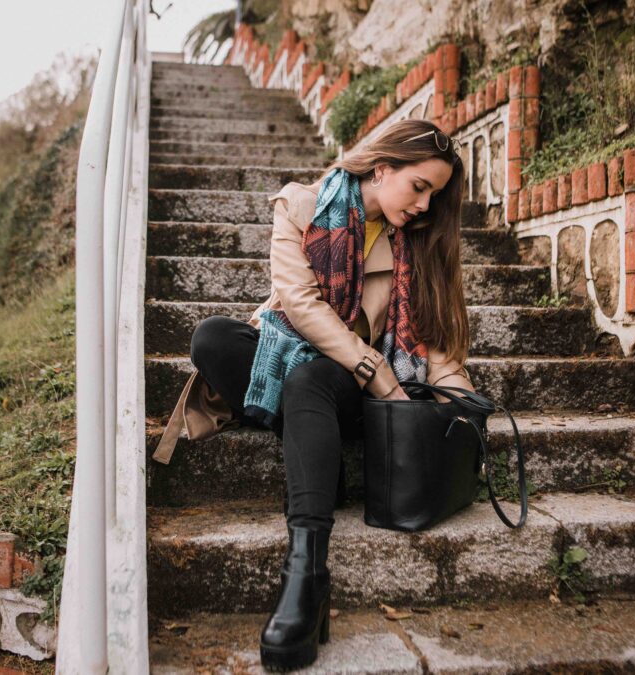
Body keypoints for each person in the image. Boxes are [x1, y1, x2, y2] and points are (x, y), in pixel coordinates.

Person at [153, 118, 474, 671]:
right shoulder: (302, 205)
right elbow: (299, 305)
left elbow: (435, 345)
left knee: (312, 380)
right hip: (322, 359)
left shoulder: (418, 245)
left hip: (347, 388)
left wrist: (460, 411)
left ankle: (305, 575)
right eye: (419, 186)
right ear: (382, 168)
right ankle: (320, 464)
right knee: (213, 339)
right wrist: (378, 369)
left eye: (434, 195)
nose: (425, 205)